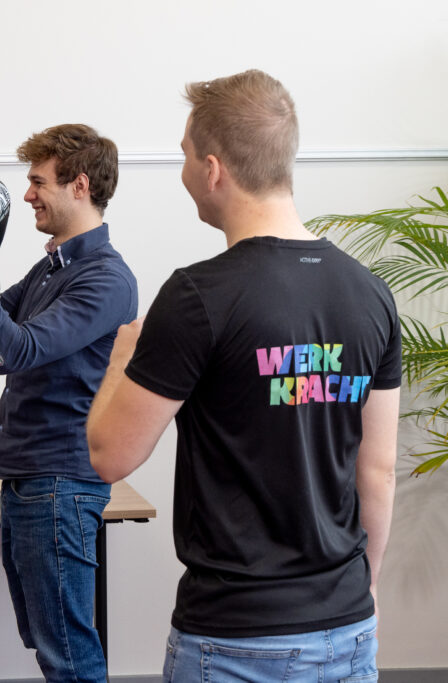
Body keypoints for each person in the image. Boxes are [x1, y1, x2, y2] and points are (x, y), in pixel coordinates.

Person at [86, 70, 400, 682]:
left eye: (182, 156)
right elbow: (379, 472)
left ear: (212, 168)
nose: (181, 173)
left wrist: (124, 351)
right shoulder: (371, 294)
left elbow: (109, 456)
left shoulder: (199, 295)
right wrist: (365, 590)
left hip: (235, 641)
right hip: (346, 626)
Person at [0, 123, 138, 682]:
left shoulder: (106, 278)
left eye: (39, 182)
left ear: (80, 185)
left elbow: (13, 353)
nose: (26, 195)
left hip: (61, 479)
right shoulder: (52, 269)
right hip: (29, 476)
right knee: (51, 645)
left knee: (67, 651)